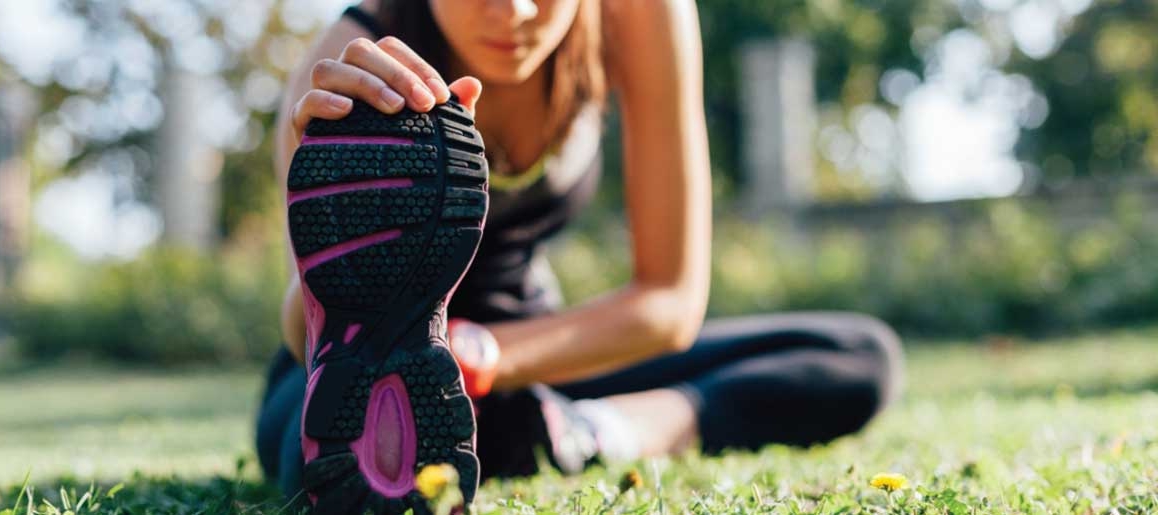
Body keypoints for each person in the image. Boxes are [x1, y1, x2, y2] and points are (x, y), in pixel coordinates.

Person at [255, 0, 904, 512]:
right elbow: (302, 328)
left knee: (855, 356)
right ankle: (509, 429)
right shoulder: (351, 59)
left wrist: (487, 355)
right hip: (355, 364)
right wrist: (329, 221)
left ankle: (585, 431)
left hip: (534, 351)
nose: (513, 11)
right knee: (328, 460)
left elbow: (670, 302)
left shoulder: (639, 14)